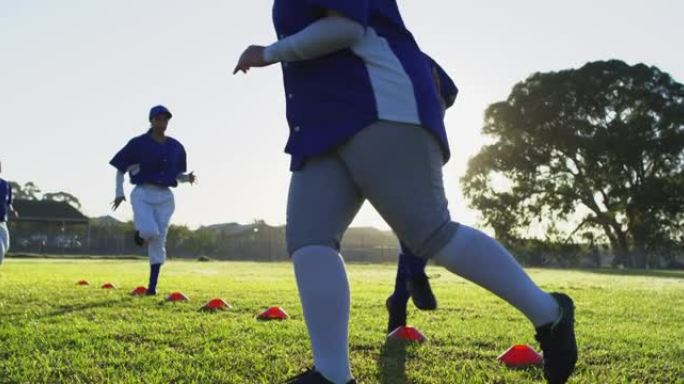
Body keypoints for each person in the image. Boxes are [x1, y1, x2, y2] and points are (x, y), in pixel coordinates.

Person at [234, 3, 577, 384]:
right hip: (320, 121)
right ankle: (331, 375)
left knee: (431, 232)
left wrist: (267, 53)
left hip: (378, 102)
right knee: (309, 239)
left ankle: (550, 313)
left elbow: (346, 28)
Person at [386, 56, 459, 334]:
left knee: (419, 221)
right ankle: (405, 293)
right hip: (393, 140)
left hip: (422, 140)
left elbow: (450, 91)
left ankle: (401, 299)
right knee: (410, 220)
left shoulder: (407, 56)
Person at [109, 105, 196, 295]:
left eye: (165, 119)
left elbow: (177, 175)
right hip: (143, 193)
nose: (162, 123)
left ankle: (152, 287)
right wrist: (118, 192)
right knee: (149, 231)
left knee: (159, 240)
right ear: (151, 120)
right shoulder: (138, 144)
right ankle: (140, 236)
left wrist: (186, 178)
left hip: (165, 196)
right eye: (158, 119)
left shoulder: (175, 147)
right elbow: (120, 168)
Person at [0, 160, 18, 266]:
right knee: (0, 248)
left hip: (2, 221)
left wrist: (12, 210)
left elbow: (8, 202)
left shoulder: (6, 185)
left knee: (6, 245)